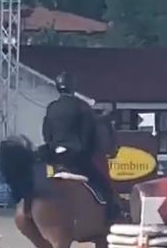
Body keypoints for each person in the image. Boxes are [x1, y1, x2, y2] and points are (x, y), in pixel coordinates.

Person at [42, 72, 120, 221]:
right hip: (76, 158)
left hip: (54, 158)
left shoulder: (51, 107)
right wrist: (87, 154)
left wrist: (54, 147)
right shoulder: (82, 107)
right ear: (73, 87)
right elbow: (88, 135)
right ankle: (110, 216)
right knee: (104, 185)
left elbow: (46, 133)